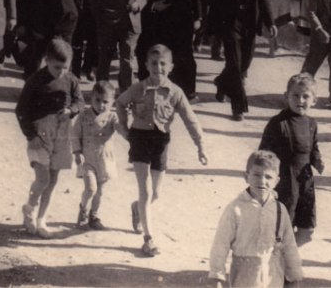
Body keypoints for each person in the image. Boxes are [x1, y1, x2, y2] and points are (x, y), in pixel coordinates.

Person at [116, 44, 208, 257]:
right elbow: (120, 103)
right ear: (146, 65)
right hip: (139, 139)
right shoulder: (138, 88)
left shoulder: (175, 92)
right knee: (145, 190)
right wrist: (123, 127)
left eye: (163, 64)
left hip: (160, 143)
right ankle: (149, 239)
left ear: (171, 67)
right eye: (154, 63)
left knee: (155, 193)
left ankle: (137, 208)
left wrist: (200, 145)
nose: (158, 68)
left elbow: (190, 119)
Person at [15, 40, 83, 238]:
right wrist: (31, 135)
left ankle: (41, 220)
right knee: (42, 178)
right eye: (56, 67)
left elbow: (80, 100)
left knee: (52, 180)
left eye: (65, 67)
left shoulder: (71, 80)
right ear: (46, 61)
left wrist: (71, 110)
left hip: (61, 136)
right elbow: (21, 110)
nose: (61, 72)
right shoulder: (36, 81)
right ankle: (29, 209)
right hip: (40, 137)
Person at [207, 150, 302, 288]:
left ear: (277, 181)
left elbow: (290, 246)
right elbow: (220, 244)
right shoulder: (236, 209)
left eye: (268, 177)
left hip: (273, 274)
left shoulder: (279, 209)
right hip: (244, 275)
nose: (262, 181)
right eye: (256, 175)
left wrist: (294, 276)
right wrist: (216, 275)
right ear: (246, 176)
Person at [211, 0, 277, 121]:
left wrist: (270, 22)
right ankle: (238, 107)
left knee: (244, 63)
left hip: (249, 23)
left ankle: (222, 83)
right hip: (230, 23)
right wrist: (215, 27)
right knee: (234, 63)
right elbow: (215, 0)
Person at [259, 73, 324, 246]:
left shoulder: (311, 123)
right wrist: (266, 182)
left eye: (305, 96)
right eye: (295, 95)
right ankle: (279, 261)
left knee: (307, 230)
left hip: (305, 182)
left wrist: (317, 160)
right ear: (286, 96)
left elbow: (313, 147)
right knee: (281, 229)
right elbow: (264, 155)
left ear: (314, 100)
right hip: (285, 183)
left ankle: (286, 257)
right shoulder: (278, 123)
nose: (300, 100)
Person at [72, 81, 126, 230]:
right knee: (91, 189)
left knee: (100, 191)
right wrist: (77, 152)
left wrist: (125, 125)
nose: (101, 105)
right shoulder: (83, 116)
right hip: (88, 160)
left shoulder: (112, 116)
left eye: (105, 102)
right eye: (97, 100)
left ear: (112, 102)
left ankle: (94, 215)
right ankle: (83, 211)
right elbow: (75, 135)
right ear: (91, 98)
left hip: (104, 160)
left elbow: (120, 129)